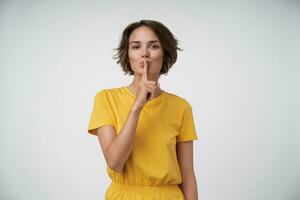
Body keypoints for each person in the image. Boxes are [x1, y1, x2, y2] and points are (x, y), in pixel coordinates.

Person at [88, 19, 198, 200]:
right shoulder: (106, 99)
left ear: (165, 53)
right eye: (136, 46)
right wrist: (137, 107)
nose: (144, 54)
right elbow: (115, 162)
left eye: (154, 46)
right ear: (127, 54)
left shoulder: (181, 107)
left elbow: (188, 178)